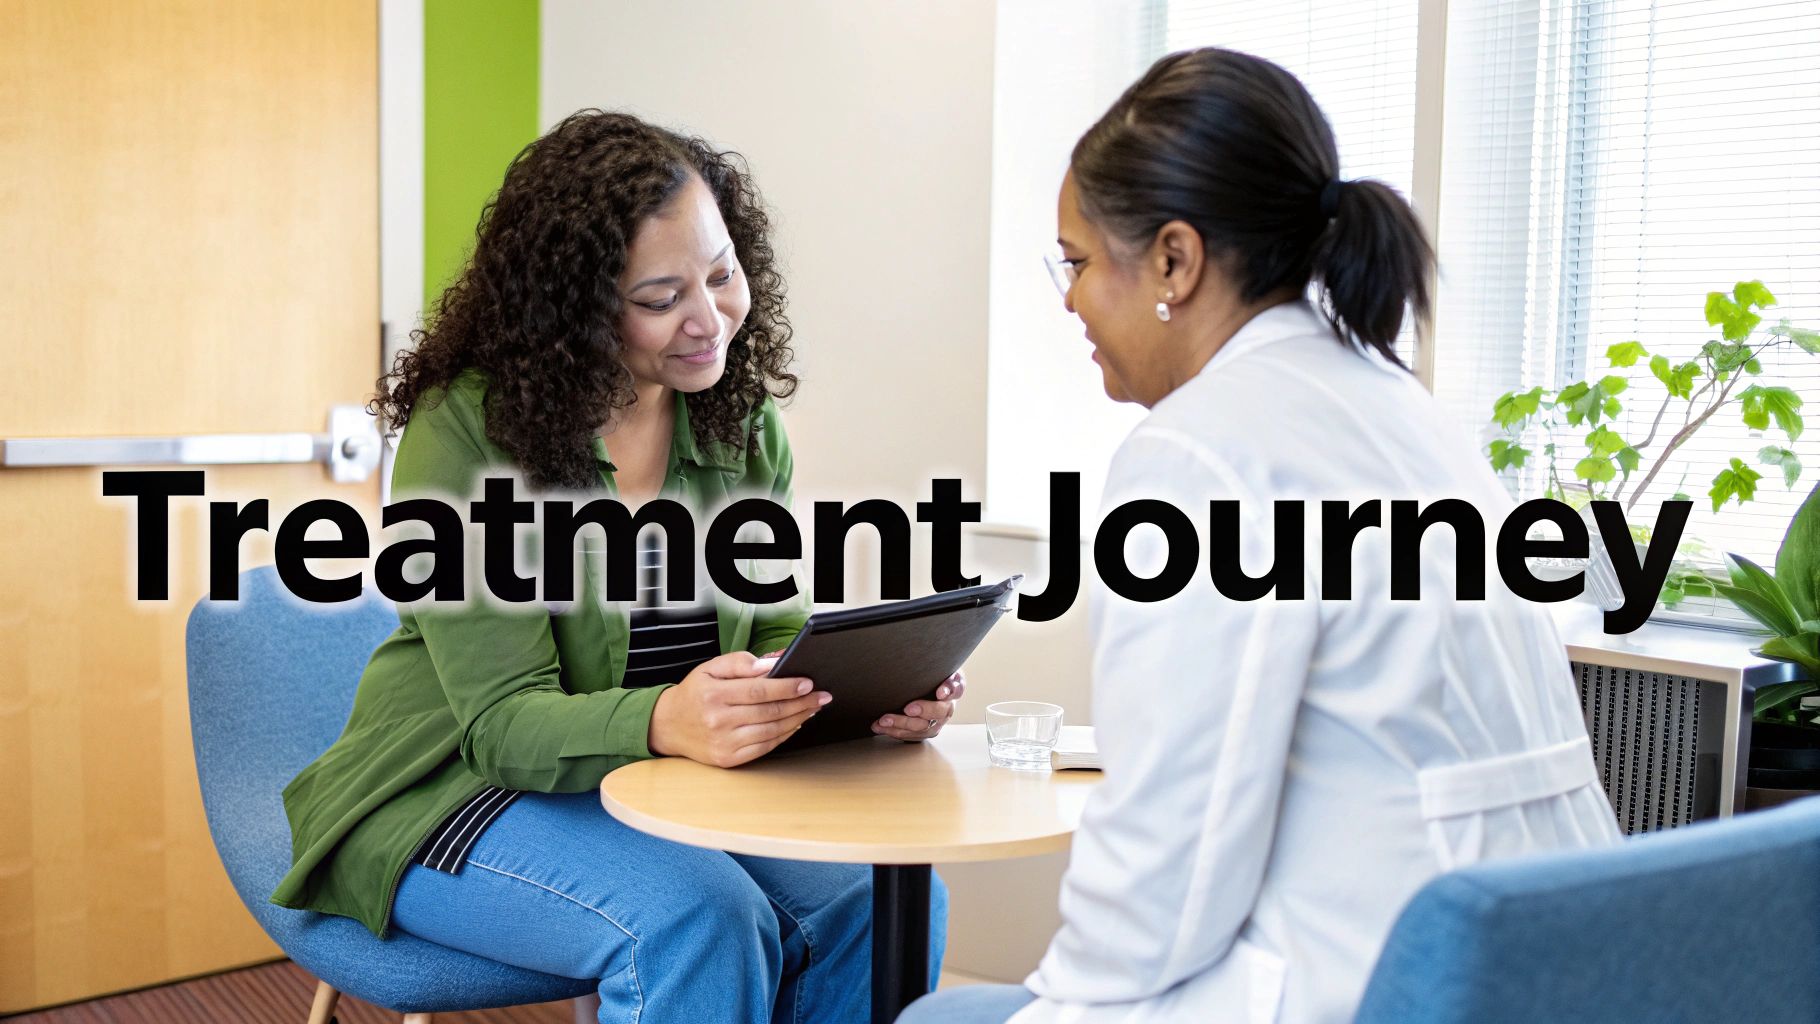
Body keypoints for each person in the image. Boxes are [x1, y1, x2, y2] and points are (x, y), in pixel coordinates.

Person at [901, 48, 1619, 1024]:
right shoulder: (1402, 410)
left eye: (1077, 262)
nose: (1068, 298)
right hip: (1549, 971)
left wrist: (1055, 1006)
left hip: (1372, 985)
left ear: (1173, 260)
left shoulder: (1198, 458)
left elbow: (1165, 869)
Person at [269, 110, 961, 1024]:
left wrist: (864, 690)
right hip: (449, 787)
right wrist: (668, 717)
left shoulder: (739, 422)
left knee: (883, 901)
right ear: (576, 312)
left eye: (722, 274)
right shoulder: (467, 431)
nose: (709, 319)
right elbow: (501, 726)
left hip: (651, 781)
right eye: (662, 297)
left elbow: (772, 624)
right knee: (699, 920)